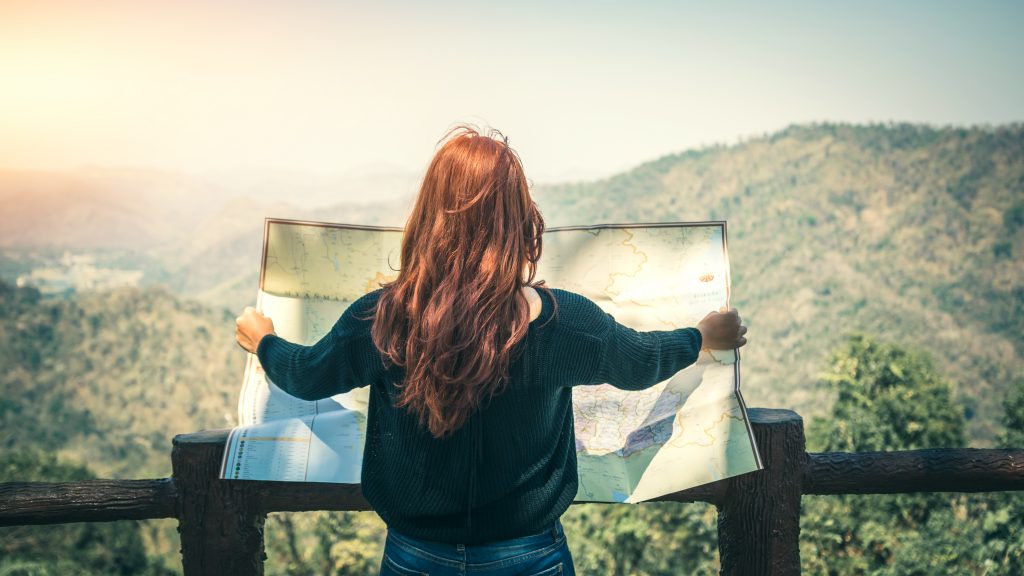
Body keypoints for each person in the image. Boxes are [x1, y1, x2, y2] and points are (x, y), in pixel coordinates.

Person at [235, 125, 748, 576]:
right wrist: (702, 338)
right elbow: (638, 363)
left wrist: (263, 339)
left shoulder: (382, 318)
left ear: (429, 215)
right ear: (518, 218)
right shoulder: (562, 321)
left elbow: (305, 376)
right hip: (529, 555)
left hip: (415, 554)